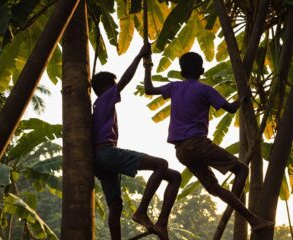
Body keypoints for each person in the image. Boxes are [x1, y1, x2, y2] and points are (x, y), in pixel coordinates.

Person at [144, 51, 273, 230]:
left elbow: (148, 89)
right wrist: (242, 98)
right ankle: (236, 208)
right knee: (242, 170)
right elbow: (230, 108)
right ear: (202, 70)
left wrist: (147, 65)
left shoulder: (174, 87)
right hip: (198, 145)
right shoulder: (205, 89)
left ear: (182, 73)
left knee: (214, 188)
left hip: (181, 152)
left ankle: (253, 220)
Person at [92, 44, 181, 240]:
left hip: (101, 161)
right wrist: (140, 56)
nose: (116, 91)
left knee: (173, 177)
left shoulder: (99, 106)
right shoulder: (105, 99)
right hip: (107, 153)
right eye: (112, 86)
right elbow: (124, 80)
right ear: (104, 88)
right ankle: (141, 211)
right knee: (161, 164)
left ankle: (159, 224)